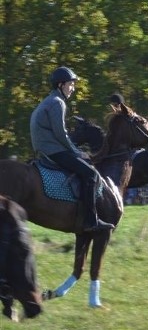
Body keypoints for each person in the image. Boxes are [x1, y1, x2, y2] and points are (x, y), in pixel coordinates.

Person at [30, 67, 114, 231]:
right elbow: (61, 133)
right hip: (53, 151)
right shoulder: (57, 103)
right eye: (71, 84)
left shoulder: (49, 100)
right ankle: (91, 221)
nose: (73, 88)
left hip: (45, 149)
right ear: (61, 85)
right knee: (91, 174)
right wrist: (77, 152)